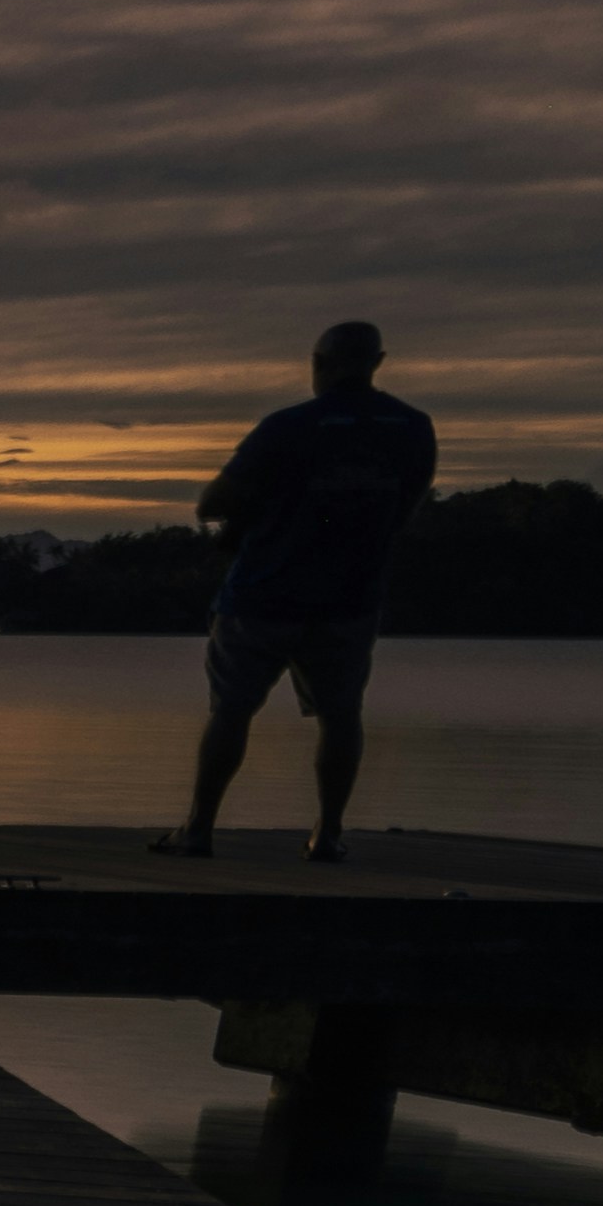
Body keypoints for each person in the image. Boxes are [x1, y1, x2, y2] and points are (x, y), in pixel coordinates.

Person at [165, 319, 432, 859]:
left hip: (263, 594)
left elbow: (212, 505)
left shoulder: (290, 427)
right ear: (377, 363)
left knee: (232, 711)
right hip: (350, 600)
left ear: (319, 365)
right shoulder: (412, 427)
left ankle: (198, 831)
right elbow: (406, 508)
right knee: (341, 715)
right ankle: (327, 836)